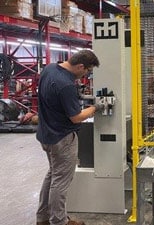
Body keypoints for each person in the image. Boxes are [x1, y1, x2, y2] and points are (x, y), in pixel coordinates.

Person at [36, 50, 101, 225]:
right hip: (62, 138)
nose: (85, 74)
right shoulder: (66, 85)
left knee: (52, 175)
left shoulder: (49, 69)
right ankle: (59, 221)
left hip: (46, 134)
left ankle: (42, 218)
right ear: (80, 66)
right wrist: (95, 107)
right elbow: (76, 117)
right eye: (86, 71)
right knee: (61, 181)